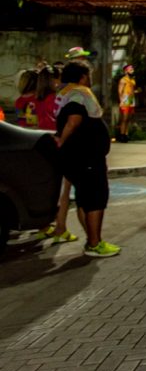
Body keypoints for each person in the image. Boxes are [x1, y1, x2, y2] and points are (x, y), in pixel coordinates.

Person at [54, 60, 120, 257]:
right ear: (82, 77)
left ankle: (92, 241)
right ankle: (94, 243)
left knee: (84, 198)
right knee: (96, 198)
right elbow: (74, 120)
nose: (90, 79)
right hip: (86, 157)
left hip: (78, 157)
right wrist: (61, 140)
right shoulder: (77, 94)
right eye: (89, 75)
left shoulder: (64, 93)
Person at [32, 65, 78, 244]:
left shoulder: (36, 99)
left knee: (45, 187)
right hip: (58, 144)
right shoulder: (57, 99)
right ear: (55, 80)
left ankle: (43, 226)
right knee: (64, 190)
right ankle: (61, 227)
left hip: (41, 142)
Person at [116, 65, 137, 142]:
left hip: (131, 99)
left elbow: (132, 89)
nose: (132, 70)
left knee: (128, 118)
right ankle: (121, 135)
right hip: (125, 99)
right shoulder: (123, 80)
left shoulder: (132, 80)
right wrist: (121, 100)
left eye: (132, 69)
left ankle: (125, 134)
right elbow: (120, 91)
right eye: (130, 69)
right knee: (124, 118)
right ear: (126, 71)